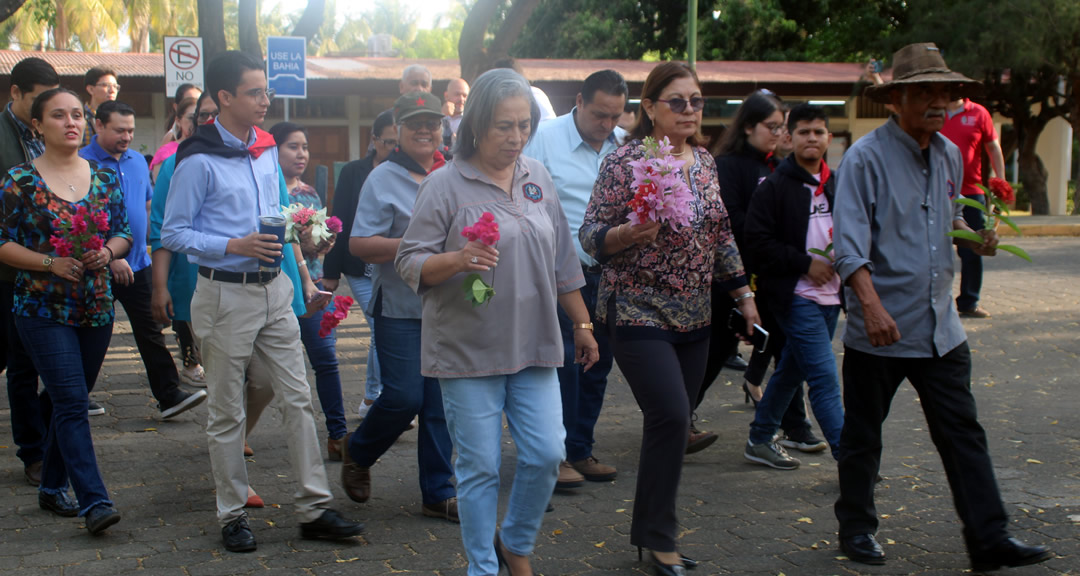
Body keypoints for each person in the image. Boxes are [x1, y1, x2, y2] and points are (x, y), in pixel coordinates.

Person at [832, 42, 1053, 571]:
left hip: (941, 328)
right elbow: (848, 246)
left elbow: (948, 218)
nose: (940, 101)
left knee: (963, 433)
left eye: (946, 92)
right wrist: (871, 307)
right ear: (897, 99)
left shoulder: (950, 153)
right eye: (925, 91)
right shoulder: (865, 159)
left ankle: (989, 538)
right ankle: (856, 529)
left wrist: (974, 238)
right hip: (881, 330)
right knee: (863, 437)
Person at [396, 69, 599, 576]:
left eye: (523, 125)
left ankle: (515, 542)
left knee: (547, 454)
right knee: (480, 468)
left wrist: (582, 324)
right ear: (477, 125)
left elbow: (562, 261)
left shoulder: (536, 177)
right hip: (468, 350)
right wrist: (458, 260)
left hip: (534, 343)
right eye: (503, 127)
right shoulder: (445, 184)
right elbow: (409, 261)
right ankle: (482, 568)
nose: (515, 138)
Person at [161, 50, 362, 553]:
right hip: (225, 293)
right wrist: (233, 245)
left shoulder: (266, 148)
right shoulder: (197, 158)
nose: (265, 100)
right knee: (227, 410)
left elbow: (274, 212)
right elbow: (174, 232)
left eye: (266, 91)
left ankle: (314, 507)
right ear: (224, 98)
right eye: (255, 92)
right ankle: (231, 513)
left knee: (295, 396)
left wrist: (303, 242)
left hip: (276, 289)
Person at [579, 61, 757, 575]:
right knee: (673, 416)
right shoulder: (625, 161)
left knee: (670, 427)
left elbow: (721, 233)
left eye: (696, 101)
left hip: (695, 313)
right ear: (650, 108)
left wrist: (743, 295)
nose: (688, 110)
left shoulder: (704, 162)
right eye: (676, 101)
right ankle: (660, 541)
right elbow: (590, 234)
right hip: (636, 309)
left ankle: (649, 533)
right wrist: (627, 235)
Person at [0, 87, 132, 534]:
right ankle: (94, 500)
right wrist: (48, 262)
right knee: (73, 402)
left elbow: (124, 232)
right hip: (41, 307)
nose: (71, 122)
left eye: (78, 114)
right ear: (37, 125)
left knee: (65, 403)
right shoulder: (19, 180)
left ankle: (52, 485)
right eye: (58, 115)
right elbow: (1, 241)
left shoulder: (106, 178)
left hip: (95, 306)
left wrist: (108, 253)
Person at [341, 91, 458, 522]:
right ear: (399, 131)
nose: (426, 129)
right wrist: (416, 246)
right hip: (401, 309)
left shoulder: (455, 173)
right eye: (415, 123)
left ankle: (438, 491)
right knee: (403, 396)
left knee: (440, 404)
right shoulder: (381, 178)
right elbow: (359, 244)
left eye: (433, 122)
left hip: (450, 308)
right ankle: (360, 449)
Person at [704, 90, 825, 456]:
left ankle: (794, 426)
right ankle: (677, 416)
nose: (778, 134)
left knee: (788, 350)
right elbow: (733, 223)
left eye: (782, 127)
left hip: (773, 276)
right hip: (734, 279)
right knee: (716, 351)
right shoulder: (728, 165)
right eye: (772, 127)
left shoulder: (776, 166)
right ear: (749, 126)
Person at [524, 69, 627, 490]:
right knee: (566, 362)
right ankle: (558, 454)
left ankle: (580, 448)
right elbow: (527, 198)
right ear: (580, 101)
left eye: (616, 116)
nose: (607, 124)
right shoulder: (545, 139)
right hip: (563, 273)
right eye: (600, 114)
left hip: (612, 272)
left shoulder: (625, 148)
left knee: (599, 363)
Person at [79, 100, 207, 419]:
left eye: (131, 130)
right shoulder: (81, 162)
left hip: (138, 263)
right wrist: (109, 257)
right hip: (98, 265)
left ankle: (168, 395)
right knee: (93, 335)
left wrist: (151, 248)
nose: (126, 136)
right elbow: (76, 220)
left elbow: (148, 206)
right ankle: (71, 396)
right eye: (119, 130)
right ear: (98, 126)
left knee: (151, 330)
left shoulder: (137, 161)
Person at [742, 104, 843, 469]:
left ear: (829, 138)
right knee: (824, 378)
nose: (811, 138)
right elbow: (755, 242)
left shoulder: (837, 183)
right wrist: (805, 264)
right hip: (795, 297)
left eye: (818, 132)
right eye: (803, 132)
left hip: (833, 297)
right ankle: (851, 460)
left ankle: (759, 438)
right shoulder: (774, 187)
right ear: (790, 137)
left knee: (791, 370)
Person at [270, 121, 348, 459]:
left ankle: (338, 435)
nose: (301, 153)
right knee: (259, 373)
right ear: (273, 150)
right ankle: (239, 430)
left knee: (326, 359)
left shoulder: (308, 194)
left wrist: (322, 243)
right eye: (292, 146)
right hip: (277, 288)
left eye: (304, 147)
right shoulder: (266, 191)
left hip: (312, 288)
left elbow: (315, 243)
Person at [0, 56, 59, 487]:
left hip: (58, 271)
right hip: (10, 271)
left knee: (61, 366)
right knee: (21, 364)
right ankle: (33, 452)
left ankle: (49, 438)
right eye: (38, 101)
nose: (47, 111)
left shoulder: (52, 135)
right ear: (15, 94)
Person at [325, 111, 396, 419]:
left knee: (382, 330)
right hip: (360, 268)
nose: (394, 148)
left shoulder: (409, 173)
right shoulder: (355, 172)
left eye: (398, 141)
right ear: (374, 140)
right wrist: (330, 273)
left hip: (392, 267)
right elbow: (337, 220)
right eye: (388, 142)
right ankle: (376, 398)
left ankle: (371, 398)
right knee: (380, 327)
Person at [150, 93, 215, 387]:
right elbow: (161, 228)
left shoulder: (257, 157)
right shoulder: (175, 163)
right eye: (202, 116)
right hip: (191, 277)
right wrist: (160, 287)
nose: (211, 121)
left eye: (217, 113)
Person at [941, 96, 1006, 318]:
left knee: (975, 244)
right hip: (938, 188)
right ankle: (938, 301)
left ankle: (969, 302)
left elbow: (993, 147)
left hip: (971, 191)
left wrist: (1001, 181)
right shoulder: (935, 110)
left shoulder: (979, 113)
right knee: (936, 246)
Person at [151, 96, 198, 174]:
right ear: (178, 121)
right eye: (191, 118)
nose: (195, 122)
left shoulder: (207, 148)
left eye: (199, 117)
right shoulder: (166, 152)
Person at [81, 66, 119, 148]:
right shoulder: (79, 118)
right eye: (106, 85)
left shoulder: (118, 119)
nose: (112, 91)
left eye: (115, 86)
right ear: (91, 89)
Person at [159, 83, 202, 149]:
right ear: (176, 107)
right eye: (189, 101)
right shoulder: (170, 138)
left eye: (199, 101)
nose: (194, 105)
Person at [442, 78, 470, 149]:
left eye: (465, 96)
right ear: (446, 96)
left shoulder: (472, 121)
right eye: (457, 94)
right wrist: (442, 115)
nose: (461, 99)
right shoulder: (438, 118)